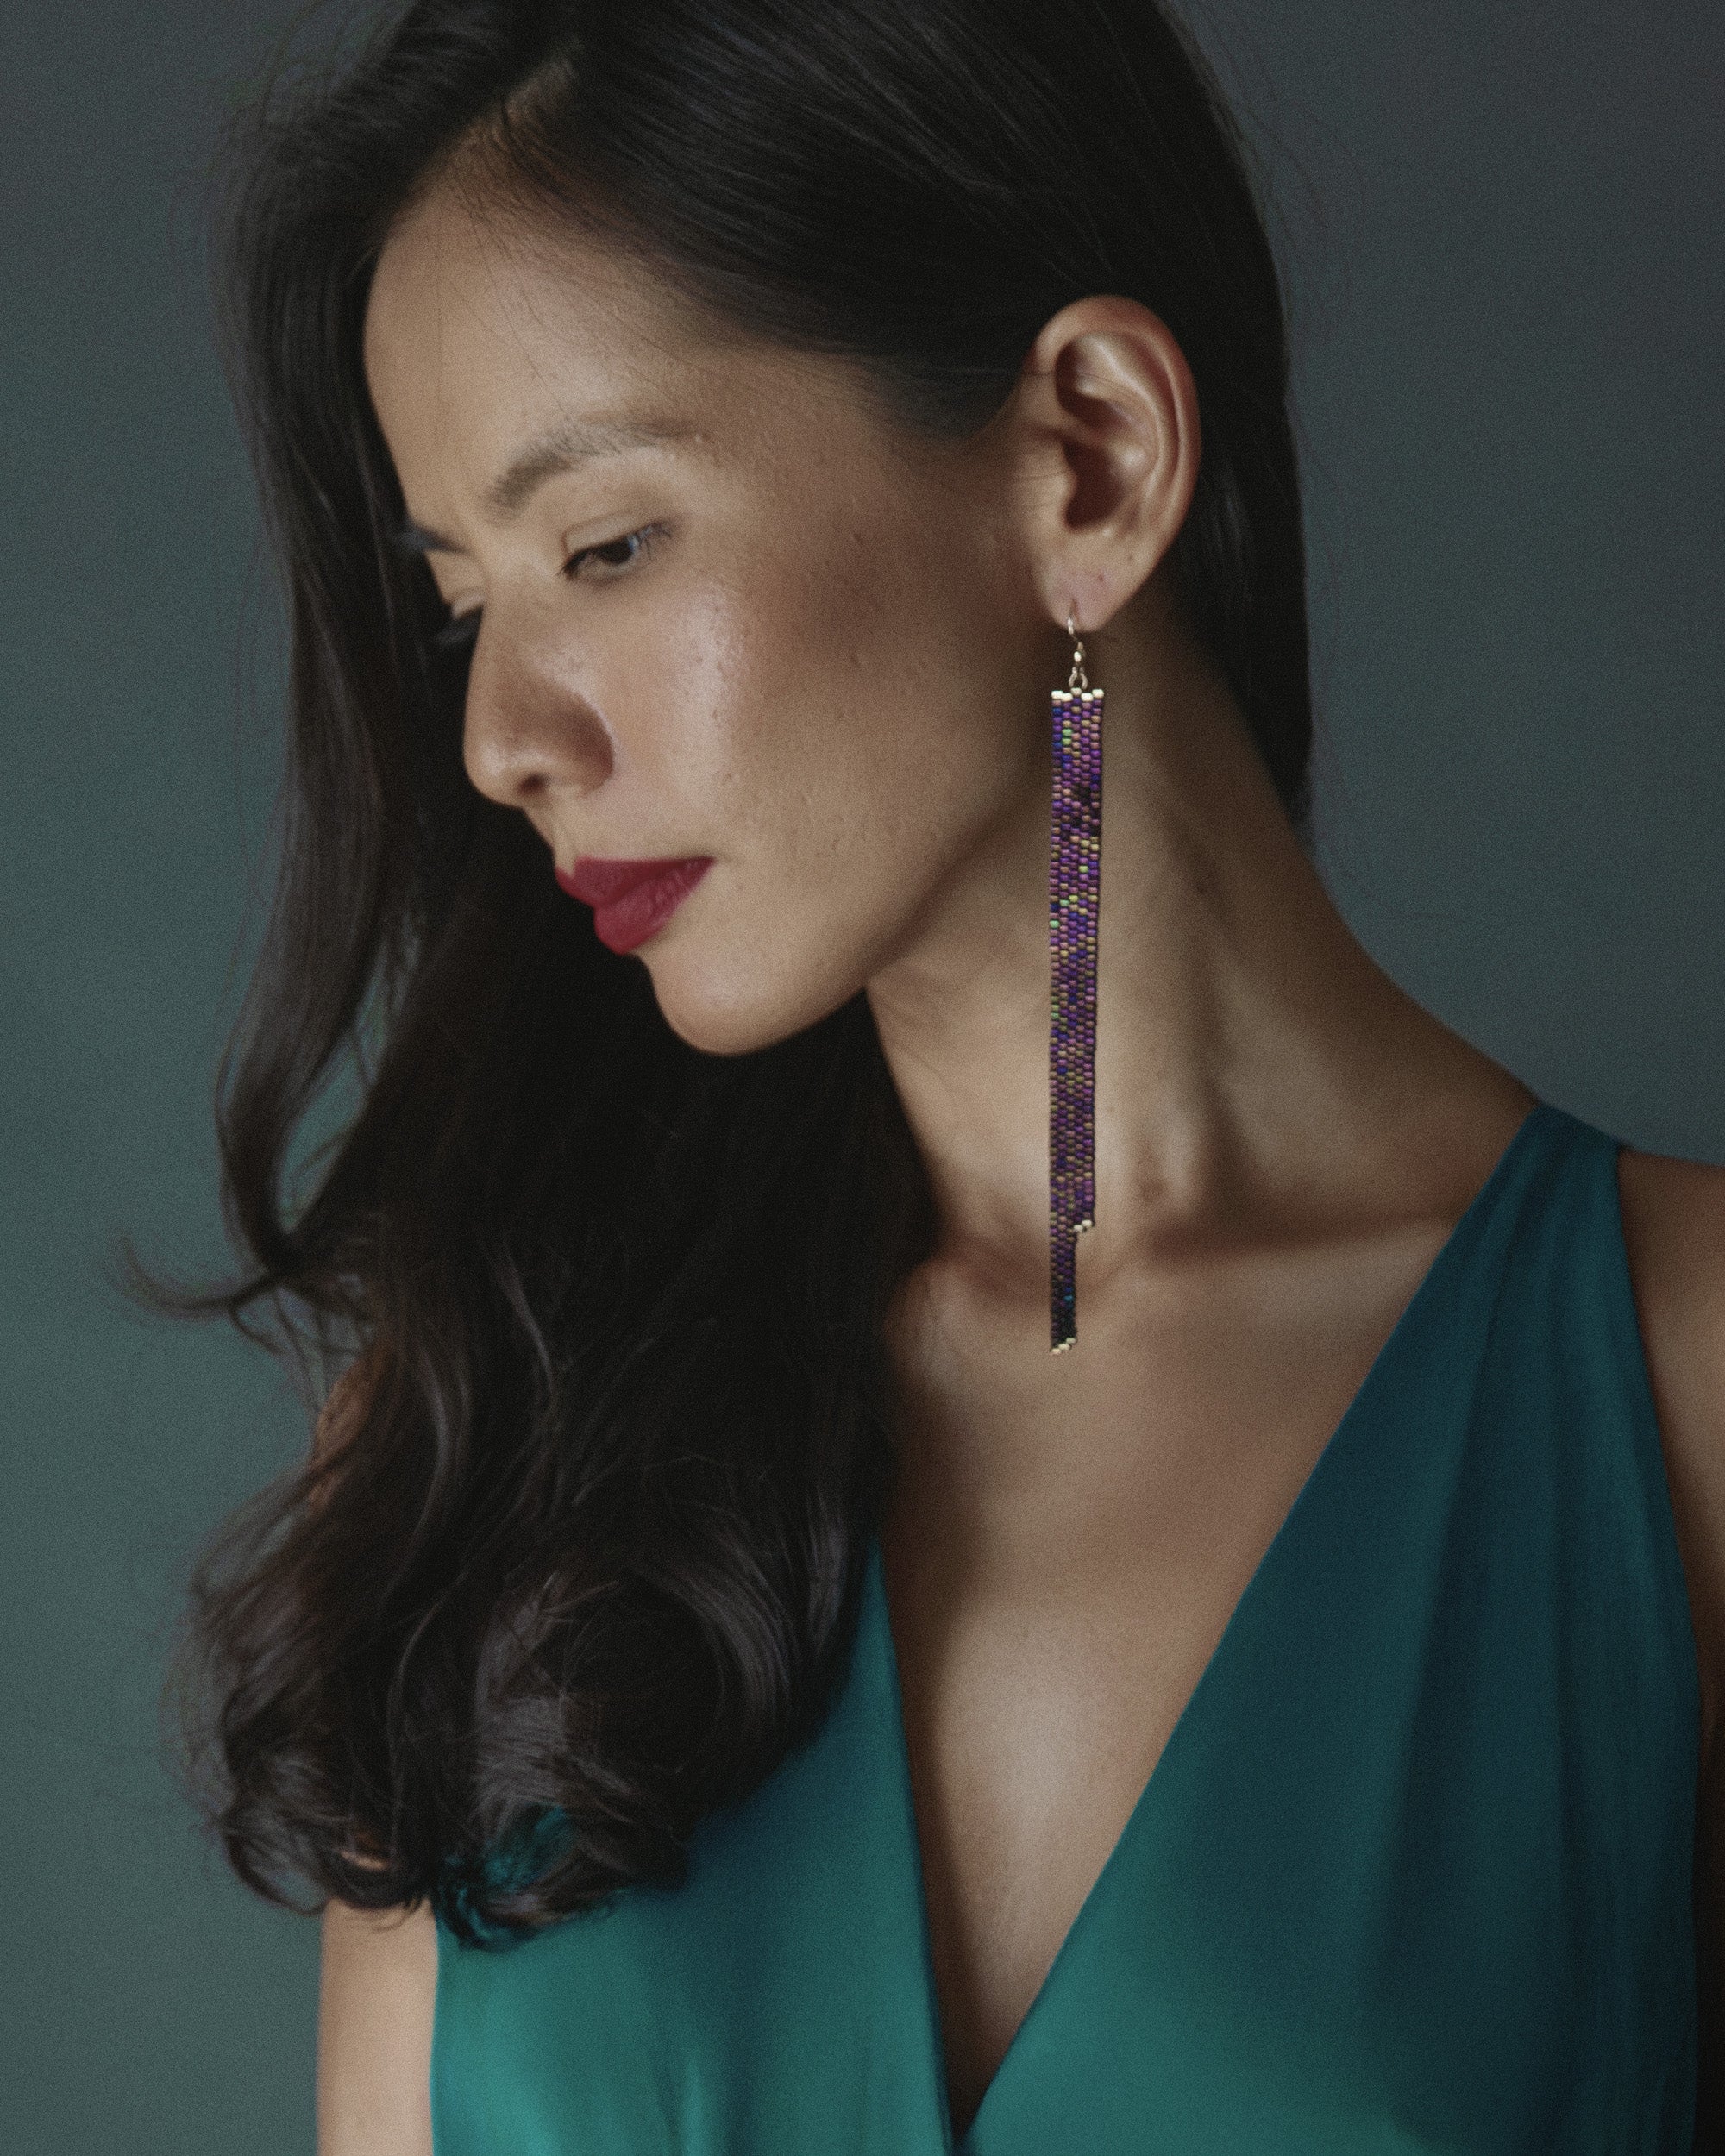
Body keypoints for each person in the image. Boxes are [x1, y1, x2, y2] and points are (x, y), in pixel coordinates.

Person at [167, 0, 1722, 2148]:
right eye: (462, 608)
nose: (501, 731)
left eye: (604, 546)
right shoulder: (490, 1434)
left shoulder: (1680, 1395)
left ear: (1085, 453)